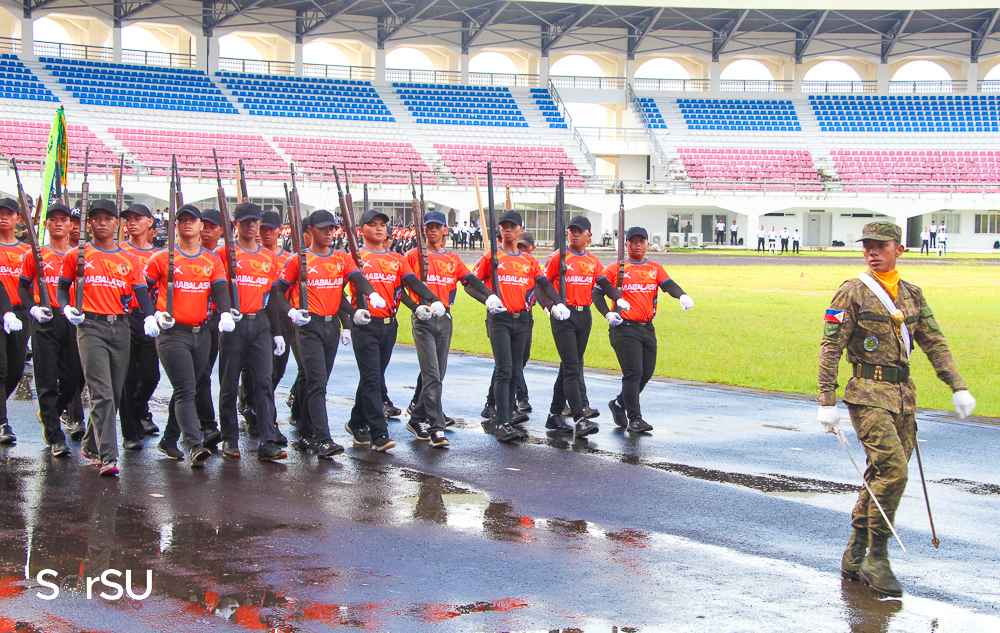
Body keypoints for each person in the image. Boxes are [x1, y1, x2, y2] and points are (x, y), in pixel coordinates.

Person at [817, 221, 976, 597]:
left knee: (881, 475)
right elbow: (830, 346)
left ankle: (855, 554)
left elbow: (934, 342)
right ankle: (878, 558)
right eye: (867, 246)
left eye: (881, 245)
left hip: (903, 396)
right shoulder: (851, 291)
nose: (872, 252)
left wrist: (958, 385)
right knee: (894, 471)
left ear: (899, 249)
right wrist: (826, 400)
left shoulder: (912, 294)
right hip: (867, 394)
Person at [56, 199, 160, 477]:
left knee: (113, 393)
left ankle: (90, 443)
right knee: (101, 392)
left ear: (117, 223)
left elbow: (141, 292)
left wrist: (150, 316)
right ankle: (109, 456)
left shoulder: (129, 259)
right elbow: (62, 288)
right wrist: (66, 308)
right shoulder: (77, 255)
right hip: (90, 327)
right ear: (89, 222)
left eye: (108, 218)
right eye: (96, 218)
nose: (102, 223)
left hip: (121, 327)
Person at [272, 209, 381, 457]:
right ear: (311, 231)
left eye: (332, 228)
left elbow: (355, 278)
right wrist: (290, 312)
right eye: (323, 229)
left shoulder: (341, 258)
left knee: (318, 383)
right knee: (317, 382)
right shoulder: (299, 260)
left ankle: (305, 431)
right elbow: (278, 291)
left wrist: (369, 294)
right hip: (308, 326)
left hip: (331, 326)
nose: (329, 233)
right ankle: (323, 438)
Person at [145, 204, 239, 466]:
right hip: (172, 334)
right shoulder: (162, 259)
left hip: (201, 333)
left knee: (187, 387)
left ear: (201, 225)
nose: (187, 223)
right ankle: (194, 445)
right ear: (175, 226)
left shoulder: (212, 260)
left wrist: (225, 313)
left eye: (192, 220)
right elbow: (141, 290)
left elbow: (219, 290)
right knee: (186, 389)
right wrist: (153, 313)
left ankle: (168, 439)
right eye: (182, 219)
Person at [346, 208, 440, 449]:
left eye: (382, 224)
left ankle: (356, 422)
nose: (379, 228)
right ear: (361, 230)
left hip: (389, 325)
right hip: (365, 324)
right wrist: (348, 316)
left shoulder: (396, 259)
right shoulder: (354, 258)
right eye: (372, 224)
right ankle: (379, 433)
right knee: (372, 379)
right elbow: (338, 290)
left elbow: (411, 282)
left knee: (374, 377)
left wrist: (431, 299)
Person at [403, 209, 497, 447]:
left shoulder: (452, 259)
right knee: (432, 375)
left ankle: (416, 418)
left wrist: (488, 295)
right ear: (423, 230)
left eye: (437, 226)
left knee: (437, 373)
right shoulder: (413, 256)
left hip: (445, 319)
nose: (432, 230)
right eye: (428, 227)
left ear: (445, 229)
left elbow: (469, 279)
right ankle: (436, 428)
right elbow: (400, 285)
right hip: (424, 319)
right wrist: (415, 307)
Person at [475, 210, 565, 442]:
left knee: (516, 370)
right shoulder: (491, 257)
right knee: (504, 370)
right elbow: (471, 283)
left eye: (512, 226)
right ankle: (502, 422)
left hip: (522, 319)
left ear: (520, 230)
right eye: (504, 225)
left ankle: (507, 417)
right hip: (500, 319)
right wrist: (487, 298)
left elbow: (544, 284)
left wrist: (557, 303)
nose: (508, 229)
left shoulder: (529, 260)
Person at [594, 226, 694, 433]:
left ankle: (619, 403)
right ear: (626, 244)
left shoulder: (654, 268)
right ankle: (635, 418)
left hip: (647, 327)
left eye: (641, 241)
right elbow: (596, 292)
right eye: (633, 241)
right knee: (633, 373)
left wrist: (682, 295)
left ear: (648, 244)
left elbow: (668, 284)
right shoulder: (615, 269)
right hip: (624, 327)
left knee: (646, 373)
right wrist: (607, 313)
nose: (637, 244)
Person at [544, 216, 629, 437]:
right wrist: (550, 307)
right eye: (572, 230)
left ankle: (554, 414)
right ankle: (580, 418)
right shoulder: (558, 257)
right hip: (564, 315)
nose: (575, 234)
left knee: (569, 367)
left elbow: (603, 283)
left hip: (584, 315)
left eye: (579, 231)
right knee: (572, 367)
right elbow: (541, 284)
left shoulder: (592, 260)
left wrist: (617, 299)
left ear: (588, 235)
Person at [214, 203, 287, 461]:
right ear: (236, 224)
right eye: (245, 222)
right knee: (229, 382)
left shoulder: (268, 257)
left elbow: (272, 296)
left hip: (260, 325)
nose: (251, 226)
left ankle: (267, 441)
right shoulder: (224, 253)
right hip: (235, 324)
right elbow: (215, 287)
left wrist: (277, 332)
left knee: (264, 383)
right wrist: (224, 311)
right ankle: (229, 438)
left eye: (254, 221)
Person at [17, 202, 82, 457]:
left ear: (70, 225)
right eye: (53, 219)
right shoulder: (36, 254)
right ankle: (55, 436)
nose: (58, 223)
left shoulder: (79, 255)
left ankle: (50, 414)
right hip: (45, 318)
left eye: (63, 220)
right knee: (46, 378)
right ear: (45, 224)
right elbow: (23, 287)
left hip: (71, 319)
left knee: (74, 378)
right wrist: (32, 309)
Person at [238, 209, 291, 445]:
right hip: (258, 319)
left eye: (271, 229)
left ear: (279, 230)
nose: (266, 233)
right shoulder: (250, 255)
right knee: (261, 375)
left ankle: (252, 403)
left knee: (277, 371)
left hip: (282, 320)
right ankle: (262, 418)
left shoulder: (288, 259)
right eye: (263, 229)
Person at [118, 203, 161, 446]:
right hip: (126, 315)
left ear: (150, 222)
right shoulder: (119, 251)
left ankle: (135, 413)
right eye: (128, 219)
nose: (132, 223)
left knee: (151, 375)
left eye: (138, 218)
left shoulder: (159, 255)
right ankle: (130, 433)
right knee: (129, 377)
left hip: (149, 317)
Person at [192, 209, 224, 447]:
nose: (206, 231)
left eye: (213, 227)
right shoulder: (191, 253)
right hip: (198, 319)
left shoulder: (224, 256)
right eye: (204, 225)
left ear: (221, 231)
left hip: (220, 318)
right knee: (201, 373)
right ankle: (207, 423)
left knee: (216, 372)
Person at [0, 198, 30, 447]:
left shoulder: (27, 251)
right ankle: (2, 422)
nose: (3, 217)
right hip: (1, 312)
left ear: (18, 219)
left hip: (21, 315)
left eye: (8, 214)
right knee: (0, 369)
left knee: (16, 369)